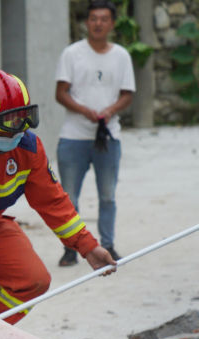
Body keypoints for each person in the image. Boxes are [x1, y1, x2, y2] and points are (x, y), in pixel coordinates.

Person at [0, 69, 117, 324]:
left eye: (22, 120)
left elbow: (52, 201)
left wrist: (87, 246)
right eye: (8, 125)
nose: (16, 133)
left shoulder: (28, 148)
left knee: (34, 281)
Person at [55, 0, 135, 266]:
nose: (98, 23)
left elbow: (127, 94)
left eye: (103, 19)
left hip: (108, 136)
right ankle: (71, 249)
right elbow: (60, 93)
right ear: (86, 22)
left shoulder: (121, 56)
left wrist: (110, 110)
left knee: (108, 195)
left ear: (112, 23)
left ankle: (108, 244)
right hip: (73, 136)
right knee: (68, 198)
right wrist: (84, 110)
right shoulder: (71, 54)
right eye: (93, 18)